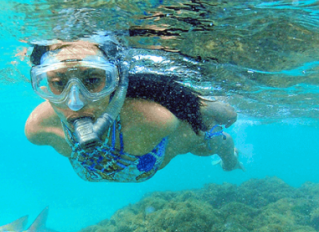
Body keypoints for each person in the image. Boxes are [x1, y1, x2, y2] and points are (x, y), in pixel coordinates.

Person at [24, 36, 243, 182]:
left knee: (207, 143)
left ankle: (230, 158)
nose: (75, 102)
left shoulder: (153, 120)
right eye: (58, 82)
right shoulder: (39, 128)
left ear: (115, 81)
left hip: (159, 152)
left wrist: (200, 107)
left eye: (92, 80)